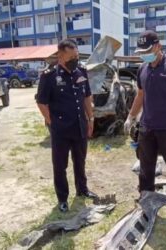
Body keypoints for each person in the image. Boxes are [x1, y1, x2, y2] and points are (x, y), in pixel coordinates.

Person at [124, 30, 166, 201]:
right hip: (147, 126)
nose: (144, 55)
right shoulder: (143, 69)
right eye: (141, 52)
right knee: (145, 165)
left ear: (158, 46)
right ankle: (146, 195)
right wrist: (131, 116)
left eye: (147, 51)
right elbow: (140, 95)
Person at [36, 39, 98, 212]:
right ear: (61, 56)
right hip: (61, 130)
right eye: (72, 57)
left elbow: (86, 97)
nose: (75, 60)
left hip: (80, 125)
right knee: (60, 165)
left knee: (80, 161)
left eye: (77, 56)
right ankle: (62, 198)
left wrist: (91, 119)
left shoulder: (81, 72)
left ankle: (82, 190)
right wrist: (51, 122)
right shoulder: (49, 76)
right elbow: (41, 102)